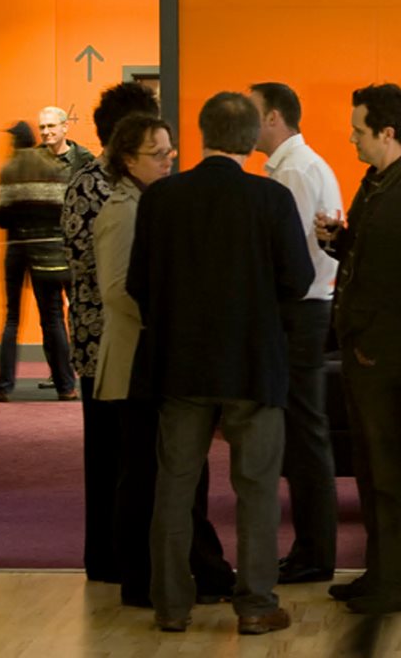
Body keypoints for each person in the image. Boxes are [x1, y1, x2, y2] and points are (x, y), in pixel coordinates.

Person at [127, 91, 313, 636]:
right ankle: (255, 604)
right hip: (254, 367)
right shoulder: (270, 200)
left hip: (179, 365)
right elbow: (297, 280)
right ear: (252, 138)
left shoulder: (161, 198)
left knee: (175, 486)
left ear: (203, 133)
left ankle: (171, 604)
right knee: (256, 489)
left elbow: (139, 283)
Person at [315, 83, 401, 613]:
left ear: (387, 133)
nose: (351, 139)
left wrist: (377, 345)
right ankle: (383, 573)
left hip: (387, 360)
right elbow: (374, 257)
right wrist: (340, 240)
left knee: (394, 475)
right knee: (372, 471)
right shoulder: (378, 184)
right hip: (364, 354)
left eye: (358, 130)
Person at [92, 112, 234, 609]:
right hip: (137, 362)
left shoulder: (151, 203)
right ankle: (143, 578)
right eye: (158, 153)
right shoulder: (123, 211)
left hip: (155, 359)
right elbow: (116, 291)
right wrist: (175, 316)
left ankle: (186, 571)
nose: (170, 159)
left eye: (171, 150)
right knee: (145, 475)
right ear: (128, 159)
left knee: (170, 472)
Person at [62, 80, 161, 583]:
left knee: (115, 457)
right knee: (114, 459)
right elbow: (114, 277)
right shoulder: (103, 189)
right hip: (108, 342)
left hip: (99, 337)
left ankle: (109, 556)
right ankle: (111, 558)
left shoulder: (88, 182)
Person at [250, 82, 343, 586]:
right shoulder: (293, 167)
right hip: (304, 310)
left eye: (253, 113)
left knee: (305, 435)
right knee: (302, 433)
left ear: (274, 118)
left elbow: (298, 259)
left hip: (302, 312)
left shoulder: (296, 171)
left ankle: (315, 553)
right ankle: (310, 549)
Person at [0, 121, 75, 402]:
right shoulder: (52, 169)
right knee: (52, 318)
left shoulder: (8, 170)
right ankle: (66, 385)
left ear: (15, 142)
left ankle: (3, 387)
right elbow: (63, 213)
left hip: (16, 249)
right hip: (48, 251)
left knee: (11, 317)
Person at [39, 104, 93, 177]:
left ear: (65, 127)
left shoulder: (85, 160)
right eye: (42, 127)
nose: (45, 132)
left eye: (51, 126)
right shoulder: (33, 160)